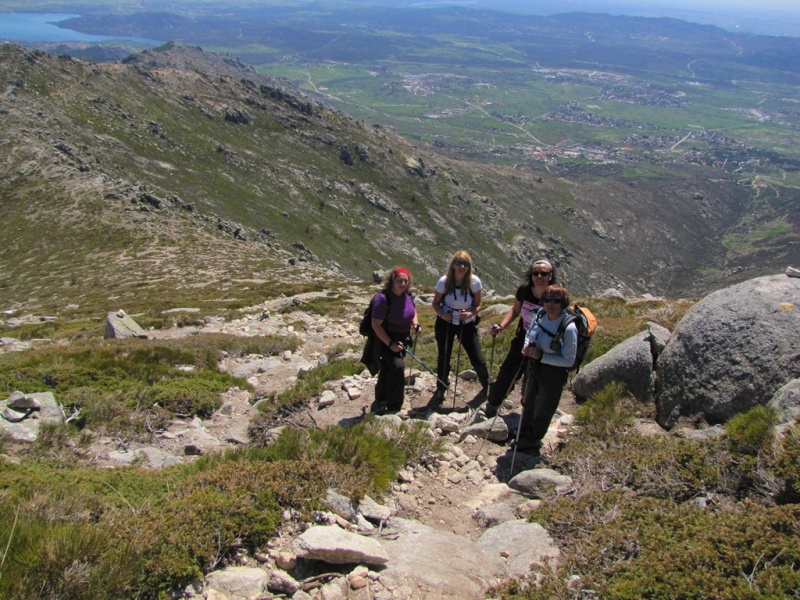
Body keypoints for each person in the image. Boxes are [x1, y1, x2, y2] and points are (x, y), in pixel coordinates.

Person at [484, 259, 557, 417]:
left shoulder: (555, 295)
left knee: (534, 378)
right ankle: (494, 403)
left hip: (543, 342)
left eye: (543, 273)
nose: (539, 276)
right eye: (535, 273)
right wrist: (502, 326)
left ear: (550, 276)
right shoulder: (525, 290)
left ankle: (532, 416)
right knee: (508, 370)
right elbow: (516, 310)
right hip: (522, 337)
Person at [514, 284, 578, 455]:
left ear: (563, 303)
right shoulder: (540, 315)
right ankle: (523, 433)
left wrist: (542, 356)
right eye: (547, 299)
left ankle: (533, 440)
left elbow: (569, 360)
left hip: (553, 372)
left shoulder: (568, 328)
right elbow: (530, 333)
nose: (550, 304)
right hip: (533, 364)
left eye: (555, 301)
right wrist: (527, 346)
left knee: (544, 405)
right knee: (528, 399)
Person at [430, 250, 489, 410]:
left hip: (467, 324)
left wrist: (470, 313)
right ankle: (441, 387)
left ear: (469, 266)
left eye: (465, 264)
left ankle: (487, 387)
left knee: (477, 357)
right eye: (458, 263)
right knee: (444, 356)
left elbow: (478, 304)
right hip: (445, 323)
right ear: (453, 265)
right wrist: (443, 314)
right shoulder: (444, 282)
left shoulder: (474, 282)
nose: (462, 266)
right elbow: (435, 303)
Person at [370, 267, 420, 414]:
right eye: (400, 280)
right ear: (392, 281)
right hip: (385, 339)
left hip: (402, 338)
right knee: (397, 367)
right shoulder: (383, 298)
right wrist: (390, 344)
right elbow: (376, 324)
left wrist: (415, 324)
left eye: (406, 280)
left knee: (387, 368)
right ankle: (394, 405)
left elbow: (413, 311)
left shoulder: (407, 296)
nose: (403, 283)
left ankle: (380, 399)